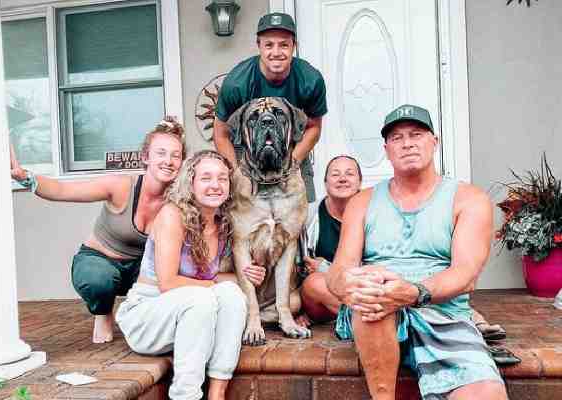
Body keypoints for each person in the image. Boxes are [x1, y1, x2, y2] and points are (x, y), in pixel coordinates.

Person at [326, 105, 507, 399]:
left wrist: (413, 292)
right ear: (386, 150)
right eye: (396, 138)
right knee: (374, 288)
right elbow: (339, 268)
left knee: (486, 394)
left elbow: (465, 273)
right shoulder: (362, 202)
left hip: (443, 314)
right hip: (373, 314)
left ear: (434, 142)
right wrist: (346, 285)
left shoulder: (468, 198)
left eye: (416, 134)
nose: (407, 143)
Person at [10, 117, 186, 344]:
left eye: (175, 155)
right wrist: (25, 177)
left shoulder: (180, 200)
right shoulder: (122, 186)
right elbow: (63, 190)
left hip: (140, 270)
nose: (168, 161)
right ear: (145, 157)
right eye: (161, 153)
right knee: (98, 281)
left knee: (174, 276)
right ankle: (103, 310)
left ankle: (142, 316)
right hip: (101, 261)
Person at [115, 150, 247, 400]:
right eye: (206, 178)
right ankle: (185, 395)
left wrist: (246, 275)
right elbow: (169, 283)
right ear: (191, 183)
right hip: (148, 317)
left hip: (189, 321)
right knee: (201, 298)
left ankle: (217, 393)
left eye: (222, 178)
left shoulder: (223, 223)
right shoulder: (172, 215)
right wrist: (214, 284)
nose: (216, 185)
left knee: (232, 294)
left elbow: (212, 280)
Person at [213, 12, 327, 203]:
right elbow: (221, 134)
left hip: (292, 147)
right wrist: (237, 172)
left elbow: (314, 127)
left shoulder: (310, 80)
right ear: (259, 46)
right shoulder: (236, 83)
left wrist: (292, 163)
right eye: (269, 45)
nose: (276, 52)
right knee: (246, 215)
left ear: (294, 46)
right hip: (246, 150)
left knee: (302, 213)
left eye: (284, 45)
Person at [297, 155, 362, 327]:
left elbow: (376, 266)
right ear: (325, 183)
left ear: (360, 182)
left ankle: (360, 321)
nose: (342, 179)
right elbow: (300, 266)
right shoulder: (310, 214)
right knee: (313, 283)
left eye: (349, 174)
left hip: (360, 290)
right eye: (335, 174)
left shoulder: (373, 213)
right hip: (325, 295)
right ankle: (366, 320)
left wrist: (325, 268)